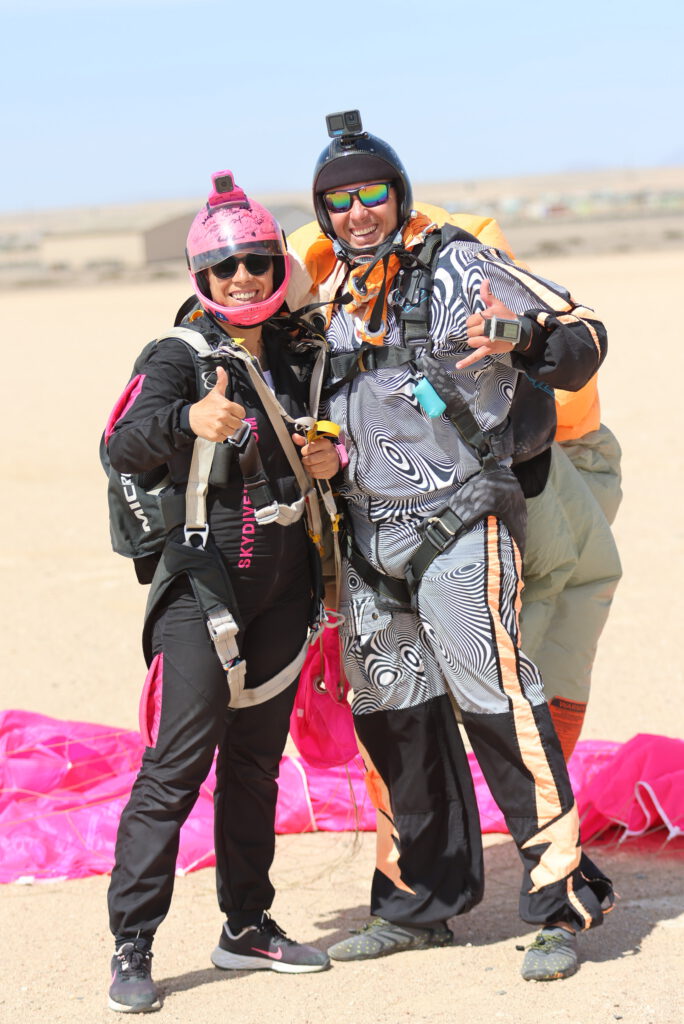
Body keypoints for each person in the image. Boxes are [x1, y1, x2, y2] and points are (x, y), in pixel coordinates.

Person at [286, 112, 615, 981]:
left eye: (373, 194)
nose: (359, 212)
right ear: (324, 213)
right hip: (368, 545)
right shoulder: (331, 296)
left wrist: (528, 340)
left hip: (460, 523)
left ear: (398, 194)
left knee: (500, 706)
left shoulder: (456, 262)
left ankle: (561, 903)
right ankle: (416, 907)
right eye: (340, 200)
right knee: (395, 723)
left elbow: (583, 338)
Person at [104, 172, 339, 1012]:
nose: (241, 277)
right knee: (173, 770)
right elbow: (123, 444)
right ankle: (132, 945)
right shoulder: (178, 356)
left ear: (277, 263)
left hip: (282, 597)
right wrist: (186, 423)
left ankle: (248, 926)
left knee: (255, 768)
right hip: (203, 593)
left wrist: (330, 460)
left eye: (255, 260)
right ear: (199, 279)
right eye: (223, 267)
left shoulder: (301, 353)